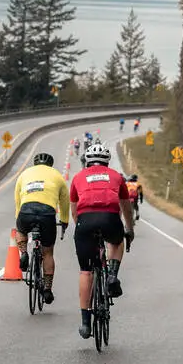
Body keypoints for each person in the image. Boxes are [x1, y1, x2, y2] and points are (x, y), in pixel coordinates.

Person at [70, 141, 135, 339]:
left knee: (86, 271)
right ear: (107, 162)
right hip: (109, 218)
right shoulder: (116, 176)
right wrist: (129, 229)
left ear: (87, 162)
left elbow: (74, 209)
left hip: (85, 221)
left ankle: (85, 324)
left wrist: (82, 227)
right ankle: (112, 275)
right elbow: (126, 207)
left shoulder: (78, 177)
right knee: (117, 241)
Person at [14, 151, 70, 305]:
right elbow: (65, 202)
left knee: (20, 231)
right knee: (47, 252)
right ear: (50, 165)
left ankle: (24, 252)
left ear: (35, 164)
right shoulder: (57, 175)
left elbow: (17, 199)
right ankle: (47, 289)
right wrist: (64, 221)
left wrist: (19, 218)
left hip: (26, 210)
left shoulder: (25, 174)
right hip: (47, 214)